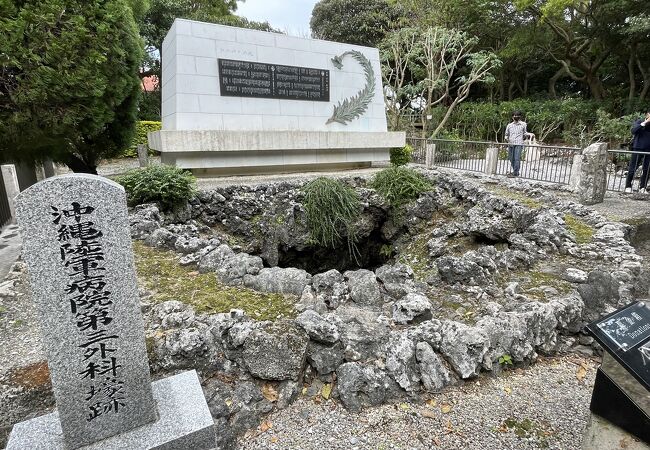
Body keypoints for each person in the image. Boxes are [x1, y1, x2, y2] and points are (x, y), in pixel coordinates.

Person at [624, 109, 650, 193]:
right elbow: (633, 131)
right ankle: (628, 186)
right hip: (638, 148)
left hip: (649, 150)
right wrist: (644, 123)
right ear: (647, 115)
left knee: (647, 169)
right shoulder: (640, 121)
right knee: (632, 168)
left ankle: (643, 187)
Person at [504, 111, 533, 177]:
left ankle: (515, 173)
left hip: (519, 144)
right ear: (512, 117)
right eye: (514, 115)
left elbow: (524, 133)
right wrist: (507, 139)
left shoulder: (523, 124)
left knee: (517, 158)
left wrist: (527, 136)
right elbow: (506, 134)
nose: (515, 117)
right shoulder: (509, 125)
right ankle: (515, 171)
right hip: (511, 143)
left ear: (520, 116)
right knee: (511, 158)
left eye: (517, 115)